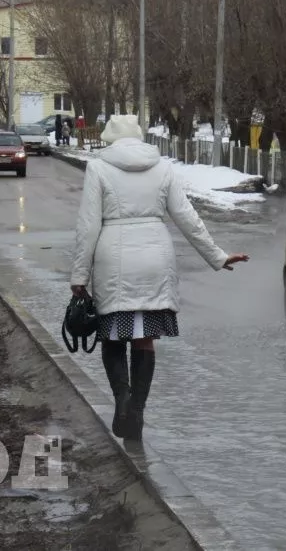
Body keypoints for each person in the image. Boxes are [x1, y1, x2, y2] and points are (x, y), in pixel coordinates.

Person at [70, 115, 249, 441]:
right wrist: (217, 256)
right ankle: (137, 408)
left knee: (112, 336)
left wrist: (79, 275)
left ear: (111, 138)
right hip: (155, 258)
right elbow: (187, 218)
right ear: (139, 138)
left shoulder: (99, 167)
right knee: (144, 339)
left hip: (115, 258)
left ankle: (122, 399)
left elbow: (88, 226)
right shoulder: (162, 167)